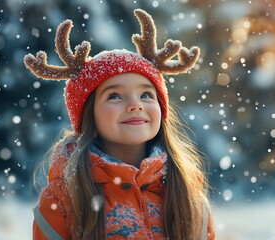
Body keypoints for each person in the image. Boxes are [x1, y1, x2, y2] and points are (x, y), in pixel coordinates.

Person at [24, 9, 215, 240]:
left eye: (146, 95)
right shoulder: (63, 201)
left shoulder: (188, 194)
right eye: (114, 96)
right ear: (88, 116)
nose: (135, 105)